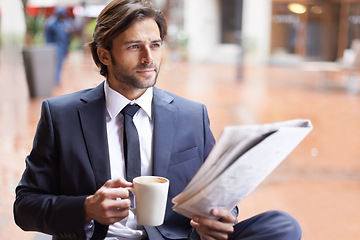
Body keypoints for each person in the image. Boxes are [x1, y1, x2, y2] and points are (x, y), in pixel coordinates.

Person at [14, 1, 302, 240]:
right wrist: (86, 209)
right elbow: (25, 205)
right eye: (133, 47)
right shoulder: (62, 115)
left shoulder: (192, 115)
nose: (148, 58)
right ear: (104, 55)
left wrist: (222, 218)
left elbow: (219, 193)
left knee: (282, 226)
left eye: (155, 44)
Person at [45, 7, 74, 85]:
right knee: (55, 64)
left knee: (60, 64)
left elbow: (68, 35)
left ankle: (56, 80)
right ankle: (55, 80)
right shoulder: (51, 22)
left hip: (63, 47)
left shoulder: (65, 22)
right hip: (54, 47)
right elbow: (48, 36)